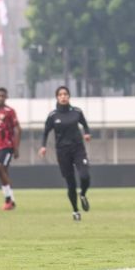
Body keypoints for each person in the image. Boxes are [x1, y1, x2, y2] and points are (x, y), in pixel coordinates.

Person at [39, 86, 92, 221]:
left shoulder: (77, 112)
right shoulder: (53, 116)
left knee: (85, 176)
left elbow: (85, 125)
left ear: (69, 96)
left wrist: (86, 133)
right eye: (60, 94)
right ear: (57, 97)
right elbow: (45, 132)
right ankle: (75, 211)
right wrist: (43, 147)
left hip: (78, 149)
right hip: (63, 152)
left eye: (65, 94)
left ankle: (83, 194)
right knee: (71, 184)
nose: (63, 96)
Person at [0, 87, 22, 210]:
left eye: (3, 96)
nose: (1, 98)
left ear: (6, 97)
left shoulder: (10, 111)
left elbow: (18, 129)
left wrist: (16, 148)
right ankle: (11, 201)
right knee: (3, 173)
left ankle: (8, 200)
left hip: (7, 146)